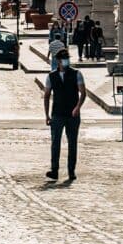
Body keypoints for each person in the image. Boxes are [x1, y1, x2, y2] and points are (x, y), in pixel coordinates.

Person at [44, 48, 85, 183]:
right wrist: (47, 115)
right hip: (57, 113)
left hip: (72, 114)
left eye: (67, 58)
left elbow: (83, 93)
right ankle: (54, 170)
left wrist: (78, 107)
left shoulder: (76, 74)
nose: (66, 61)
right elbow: (47, 95)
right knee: (55, 143)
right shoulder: (51, 76)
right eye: (63, 59)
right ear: (58, 61)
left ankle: (71, 171)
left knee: (72, 143)